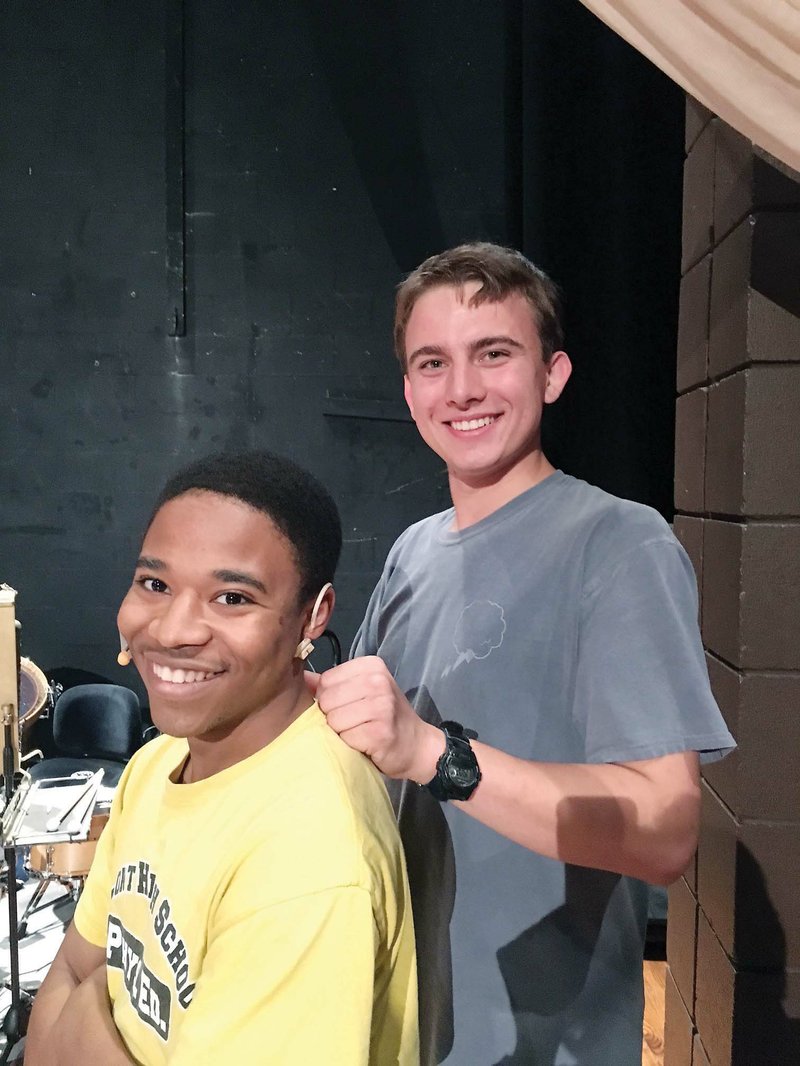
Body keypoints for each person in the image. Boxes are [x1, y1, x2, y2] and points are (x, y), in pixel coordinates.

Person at [310, 243, 735, 1065]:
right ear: (408, 390)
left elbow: (664, 828)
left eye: (494, 355)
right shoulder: (411, 552)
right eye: (433, 363)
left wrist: (437, 755)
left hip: (537, 1042)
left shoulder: (618, 545)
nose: (461, 389)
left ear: (553, 373)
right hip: (400, 1022)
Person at [25, 450, 419, 1066]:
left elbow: (75, 996)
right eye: (155, 584)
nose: (173, 628)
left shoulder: (308, 858)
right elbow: (70, 970)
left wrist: (84, 1017)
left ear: (313, 615)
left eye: (232, 598)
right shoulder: (159, 765)